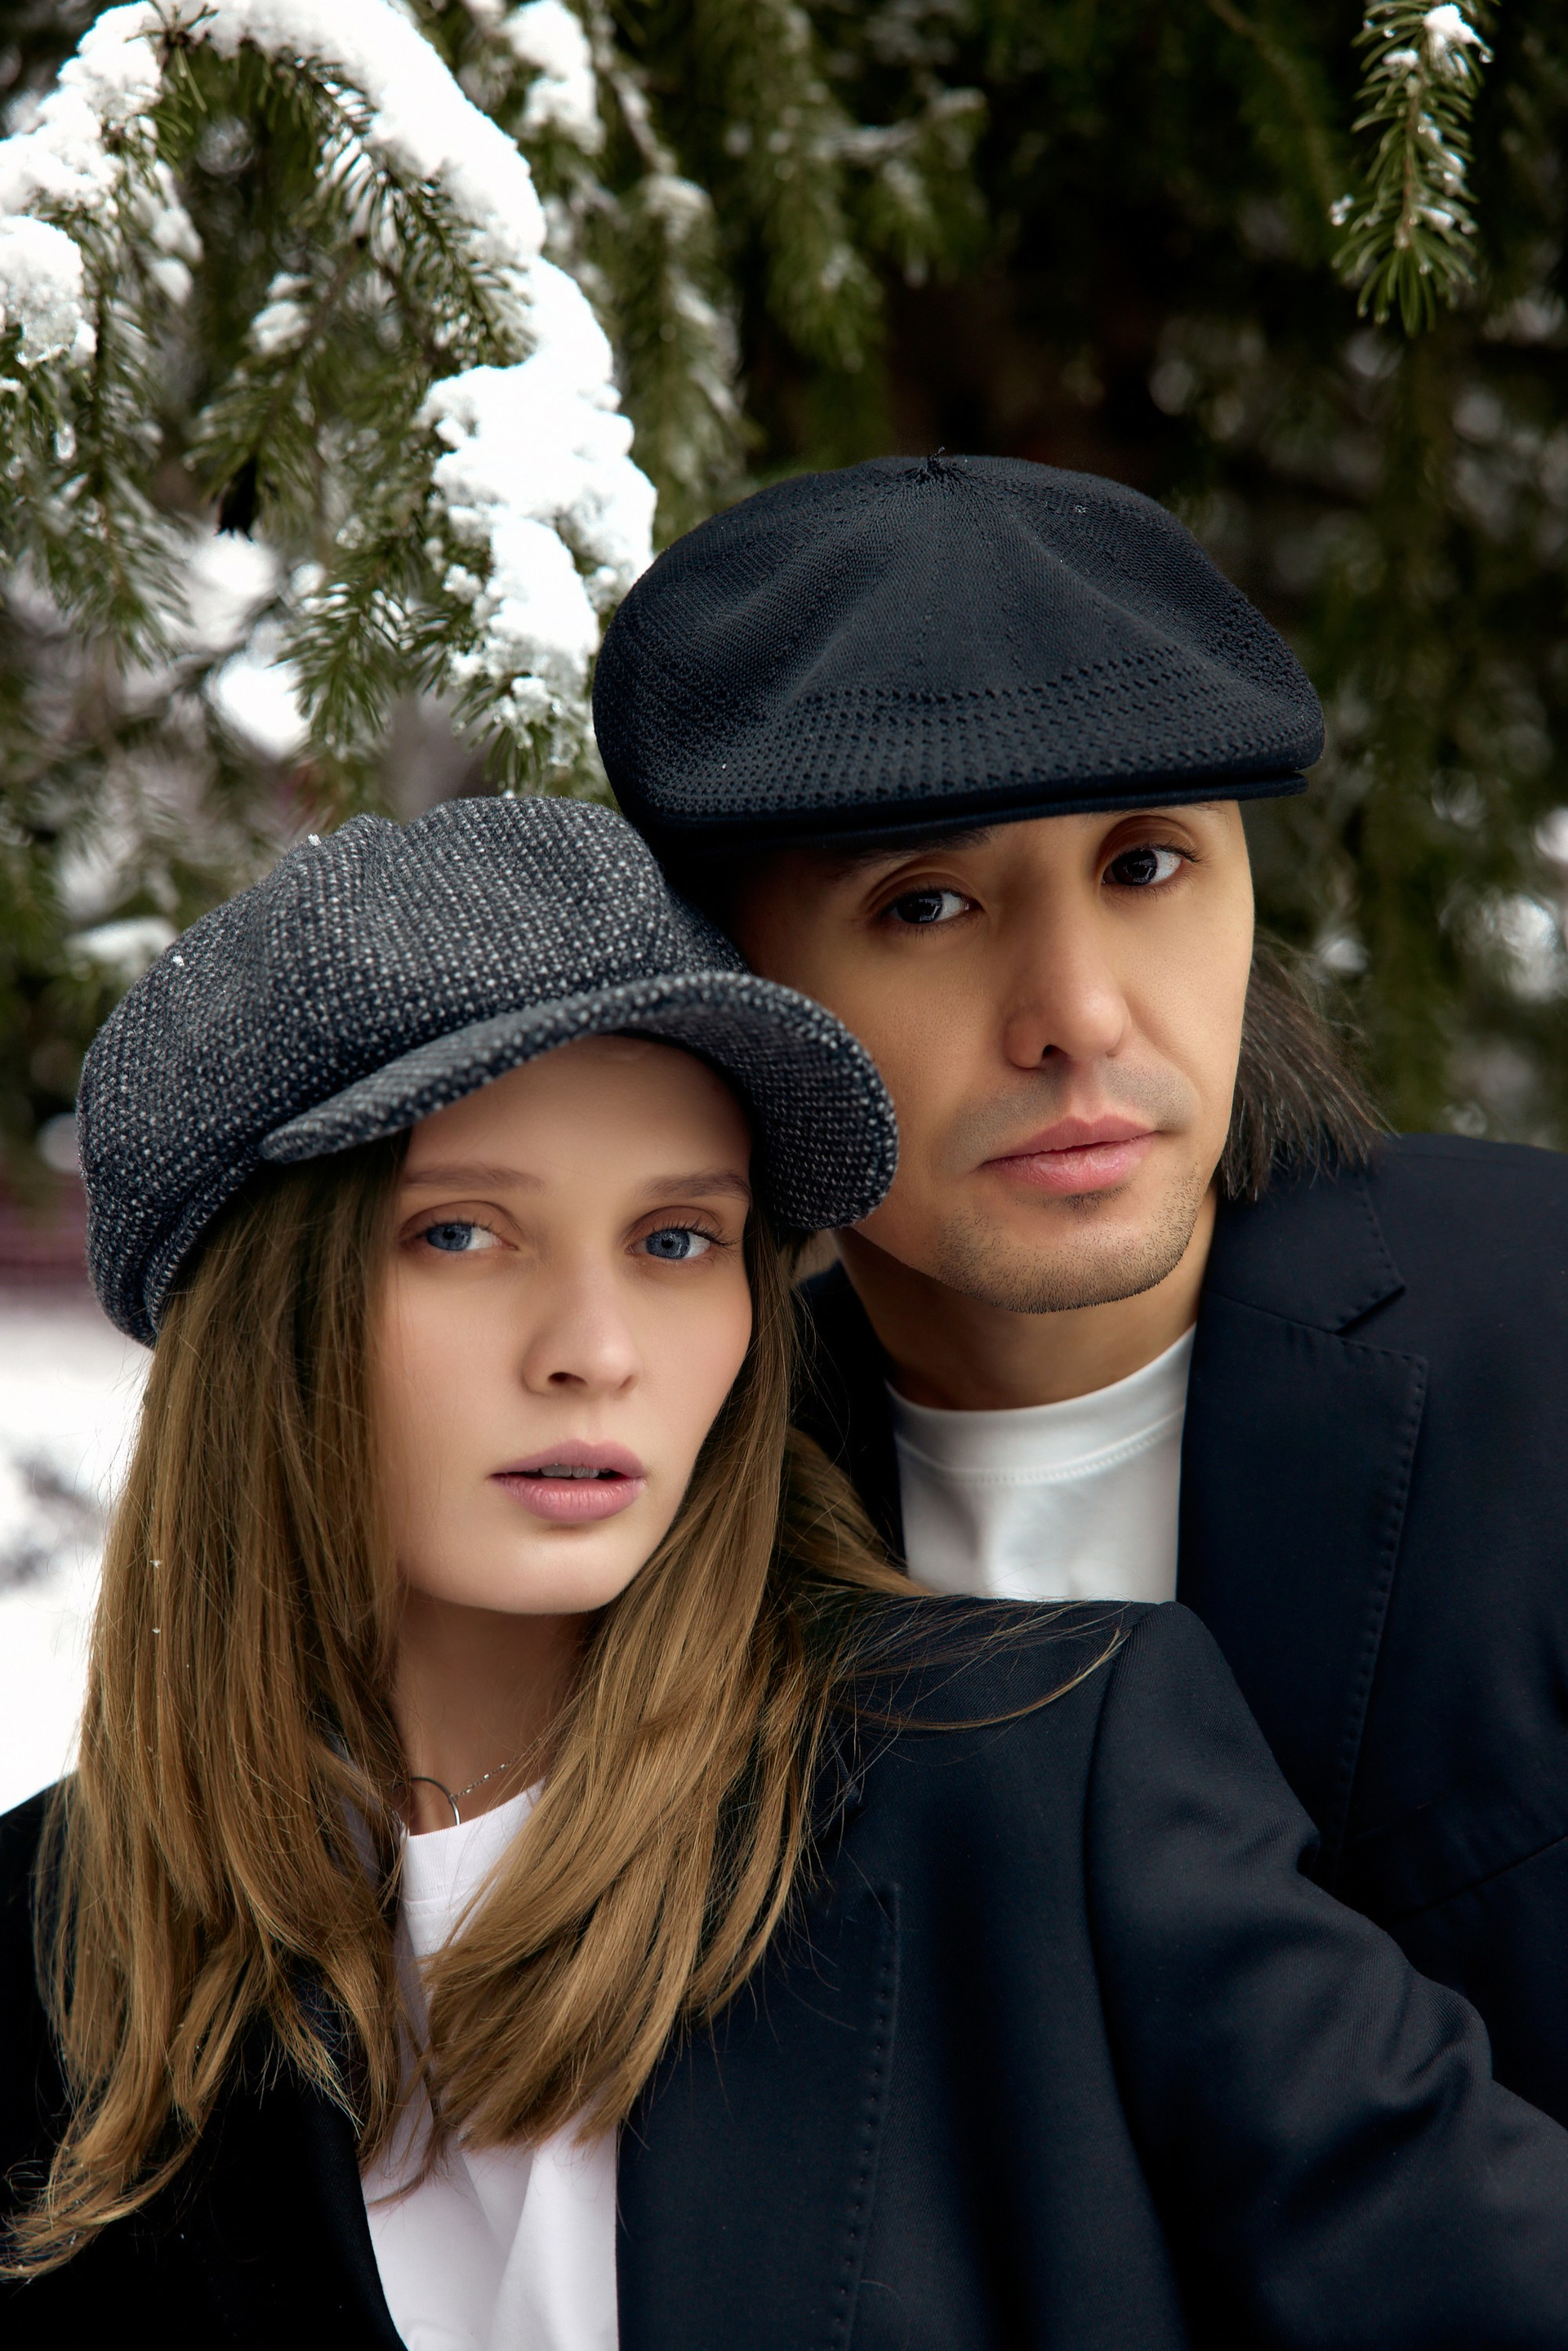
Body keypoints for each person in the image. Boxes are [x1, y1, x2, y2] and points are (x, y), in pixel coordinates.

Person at [6, 795, 1568, 2351]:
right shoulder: (46, 1937)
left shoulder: (1042, 1781)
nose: (596, 1352)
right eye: (464, 1235)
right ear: (256, 1319)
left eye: (678, 1241)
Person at [595, 451, 1568, 2127]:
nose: (1082, 1015)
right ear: (737, 989)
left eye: (1146, 867)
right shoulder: (655, 1509)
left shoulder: (1538, 1336)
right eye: (929, 902)